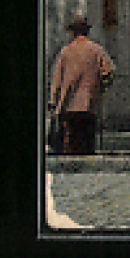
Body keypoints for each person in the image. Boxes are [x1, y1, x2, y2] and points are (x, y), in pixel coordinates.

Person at [49, 16, 114, 155]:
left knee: (70, 144)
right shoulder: (97, 50)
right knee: (87, 144)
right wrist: (101, 88)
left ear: (73, 32)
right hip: (89, 105)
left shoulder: (65, 52)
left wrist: (53, 101)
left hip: (68, 106)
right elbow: (108, 72)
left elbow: (57, 80)